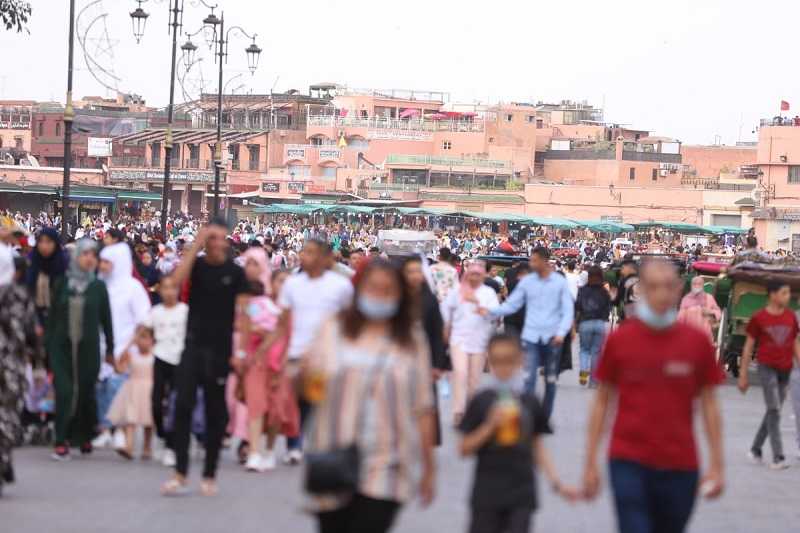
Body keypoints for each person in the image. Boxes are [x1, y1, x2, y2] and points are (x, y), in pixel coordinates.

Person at [582, 259, 725, 533]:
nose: (661, 294)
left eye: (668, 287)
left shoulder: (696, 342)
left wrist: (717, 463)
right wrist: (590, 462)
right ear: (642, 290)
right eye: (654, 287)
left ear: (679, 289)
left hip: (680, 464)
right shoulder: (620, 341)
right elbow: (602, 402)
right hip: (628, 460)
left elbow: (709, 405)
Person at [302, 259, 435, 533]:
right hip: (333, 457)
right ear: (358, 289)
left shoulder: (411, 339)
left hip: (388, 463)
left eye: (388, 291)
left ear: (400, 296)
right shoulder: (333, 328)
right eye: (373, 288)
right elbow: (308, 387)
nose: (380, 296)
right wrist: (303, 375)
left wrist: (429, 469)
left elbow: (423, 406)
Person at [162, 219, 249, 497]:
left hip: (221, 350)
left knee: (215, 413)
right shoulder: (197, 266)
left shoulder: (235, 273)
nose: (216, 242)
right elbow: (175, 282)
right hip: (192, 346)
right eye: (212, 237)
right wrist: (195, 244)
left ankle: (209, 473)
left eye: (221, 237)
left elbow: (245, 315)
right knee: (183, 406)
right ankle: (180, 471)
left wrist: (242, 352)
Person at [459, 334, 577, 533]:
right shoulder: (481, 401)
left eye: (509, 361)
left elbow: (538, 446)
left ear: (520, 360)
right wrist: (489, 426)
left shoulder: (530, 402)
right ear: (490, 362)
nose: (503, 368)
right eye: (497, 361)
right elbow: (464, 449)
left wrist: (557, 484)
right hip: (486, 494)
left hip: (521, 493)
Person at [278, 239, 353, 465]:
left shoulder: (340, 286)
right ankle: (294, 444)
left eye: (310, 252)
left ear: (323, 258)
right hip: (294, 353)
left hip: (324, 356)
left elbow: (349, 320)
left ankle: (309, 444)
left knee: (315, 401)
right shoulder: (292, 284)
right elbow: (283, 320)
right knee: (294, 402)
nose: (303, 255)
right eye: (303, 251)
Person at [47, 239, 114, 460]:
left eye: (93, 256)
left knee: (85, 391)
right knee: (66, 392)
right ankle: (61, 439)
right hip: (62, 347)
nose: (89, 259)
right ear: (77, 257)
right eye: (85, 254)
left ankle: (83, 435)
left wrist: (111, 350)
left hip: (89, 348)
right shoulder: (62, 283)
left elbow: (106, 320)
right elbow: (53, 317)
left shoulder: (98, 287)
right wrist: (47, 348)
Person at [488, 247, 573, 421]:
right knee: (529, 379)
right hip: (531, 337)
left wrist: (562, 332)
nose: (531, 264)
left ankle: (545, 416)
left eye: (534, 260)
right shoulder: (527, 283)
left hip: (552, 337)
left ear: (544, 261)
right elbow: (512, 304)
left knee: (550, 380)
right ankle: (528, 417)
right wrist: (489, 312)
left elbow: (567, 310)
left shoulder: (559, 282)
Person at [234, 270, 298, 472]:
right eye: (280, 281)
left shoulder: (291, 311)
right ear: (271, 283)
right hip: (256, 361)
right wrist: (243, 353)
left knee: (276, 410)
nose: (284, 285)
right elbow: (244, 325)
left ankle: (269, 450)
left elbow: (292, 339)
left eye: (288, 282)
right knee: (256, 404)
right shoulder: (258, 304)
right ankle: (254, 452)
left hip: (280, 363)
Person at [93, 242, 151, 451]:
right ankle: (104, 430)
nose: (103, 266)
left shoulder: (133, 287)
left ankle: (119, 431)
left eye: (107, 262)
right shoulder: (99, 285)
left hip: (126, 347)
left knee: (119, 390)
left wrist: (130, 346)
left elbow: (144, 319)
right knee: (101, 388)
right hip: (100, 346)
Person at [738, 281, 800, 469]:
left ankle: (756, 449)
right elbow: (749, 346)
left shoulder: (791, 317)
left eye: (788, 293)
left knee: (773, 410)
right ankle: (778, 456)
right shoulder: (759, 318)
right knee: (774, 409)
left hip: (785, 369)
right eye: (784, 293)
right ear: (772, 295)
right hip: (766, 368)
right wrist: (743, 374)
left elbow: (795, 343)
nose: (787, 297)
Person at [0, 244, 41, 496]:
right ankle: (3, 461)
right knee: (7, 417)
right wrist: (37, 365)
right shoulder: (19, 295)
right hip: (11, 369)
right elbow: (31, 333)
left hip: (10, 367)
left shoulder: (18, 295)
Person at [443, 260, 499, 425]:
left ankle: (471, 411)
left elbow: (494, 314)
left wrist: (478, 304)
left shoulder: (488, 293)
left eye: (478, 274)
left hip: (479, 340)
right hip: (458, 339)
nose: (474, 277)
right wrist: (446, 327)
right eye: (472, 274)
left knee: (474, 379)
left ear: (482, 276)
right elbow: (446, 309)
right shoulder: (456, 291)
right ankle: (458, 411)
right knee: (460, 373)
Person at [402, 255, 449, 446]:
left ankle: (427, 439)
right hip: (399, 359)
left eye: (418, 272)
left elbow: (437, 335)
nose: (415, 276)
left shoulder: (429, 300)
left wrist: (438, 364)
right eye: (410, 272)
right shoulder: (396, 297)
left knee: (426, 402)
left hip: (425, 359)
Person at [147, 276, 188, 468]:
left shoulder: (185, 311)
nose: (170, 292)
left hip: (180, 360)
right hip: (160, 358)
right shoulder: (155, 312)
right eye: (165, 288)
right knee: (156, 402)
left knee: (175, 403)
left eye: (173, 288)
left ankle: (172, 445)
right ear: (160, 290)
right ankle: (161, 434)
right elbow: (144, 332)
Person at [107, 324, 156, 460]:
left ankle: (147, 447)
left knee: (148, 421)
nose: (141, 341)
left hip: (149, 390)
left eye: (145, 338)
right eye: (139, 338)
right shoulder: (131, 355)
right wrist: (129, 345)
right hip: (132, 390)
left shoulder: (155, 355)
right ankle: (129, 446)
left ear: (152, 340)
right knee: (130, 419)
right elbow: (120, 369)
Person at [575, 266, 611, 387]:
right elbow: (608, 308)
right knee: (596, 352)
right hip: (600, 323)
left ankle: (584, 370)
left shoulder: (583, 290)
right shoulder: (604, 292)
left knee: (584, 350)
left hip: (585, 322)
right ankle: (594, 381)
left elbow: (578, 306)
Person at [26, 227, 68, 326]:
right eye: (41, 241)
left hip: (59, 321)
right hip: (33, 321)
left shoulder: (63, 264)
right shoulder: (31, 262)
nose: (44, 246)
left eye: (49, 242)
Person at [677, 276, 721, 341]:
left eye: (699, 284)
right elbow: (680, 319)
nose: (697, 286)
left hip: (705, 336)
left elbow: (718, 313)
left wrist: (710, 312)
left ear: (703, 286)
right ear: (691, 285)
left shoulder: (709, 298)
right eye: (695, 284)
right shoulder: (686, 299)